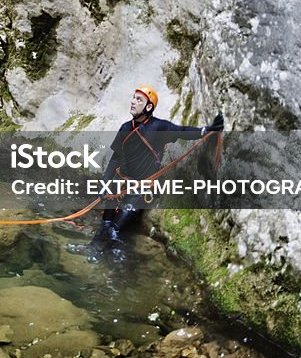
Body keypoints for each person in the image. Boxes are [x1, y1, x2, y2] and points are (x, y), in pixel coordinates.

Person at [92, 85, 224, 253]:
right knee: (104, 225)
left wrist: (207, 130)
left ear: (148, 107)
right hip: (119, 186)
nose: (133, 102)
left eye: (139, 99)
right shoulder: (126, 128)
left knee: (114, 231)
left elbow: (182, 131)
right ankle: (93, 252)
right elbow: (116, 157)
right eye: (133, 98)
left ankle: (116, 261)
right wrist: (105, 182)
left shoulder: (159, 128)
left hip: (140, 190)